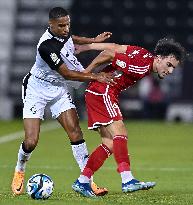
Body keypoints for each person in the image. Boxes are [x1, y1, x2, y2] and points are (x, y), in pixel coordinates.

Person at [11, 7, 115, 196]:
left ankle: (86, 181)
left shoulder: (62, 33)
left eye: (68, 24)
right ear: (51, 25)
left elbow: (71, 38)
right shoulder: (46, 46)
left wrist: (93, 40)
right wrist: (94, 76)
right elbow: (67, 73)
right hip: (37, 89)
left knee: (75, 132)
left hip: (58, 89)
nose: (66, 28)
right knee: (31, 141)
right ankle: (20, 169)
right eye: (61, 26)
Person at [71, 38, 186, 197]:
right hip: (103, 91)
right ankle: (127, 180)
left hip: (97, 92)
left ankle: (82, 181)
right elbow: (110, 53)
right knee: (120, 133)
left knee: (110, 143)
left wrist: (86, 47)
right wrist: (86, 73)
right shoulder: (141, 66)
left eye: (174, 67)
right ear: (159, 58)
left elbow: (114, 47)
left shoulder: (143, 53)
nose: (171, 71)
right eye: (169, 65)